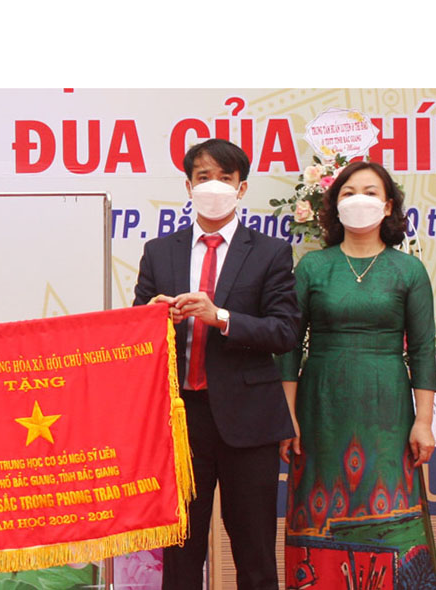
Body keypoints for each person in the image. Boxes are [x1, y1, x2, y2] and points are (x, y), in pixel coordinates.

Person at [133, 138, 301, 590]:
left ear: (241, 188)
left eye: (224, 178)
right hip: (180, 420)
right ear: (188, 186)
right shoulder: (159, 251)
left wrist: (221, 317)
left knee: (254, 551)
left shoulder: (269, 252)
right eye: (203, 177)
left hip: (249, 420)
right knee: (181, 553)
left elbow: (285, 331)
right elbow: (136, 331)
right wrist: (153, 317)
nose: (214, 186)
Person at [278, 161, 436, 589]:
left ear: (388, 206)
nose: (358, 200)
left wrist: (423, 421)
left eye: (370, 192)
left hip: (388, 408)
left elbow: (424, 349)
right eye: (348, 193)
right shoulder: (312, 267)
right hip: (320, 407)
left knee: (391, 502)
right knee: (318, 504)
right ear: (335, 205)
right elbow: (288, 346)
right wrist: (287, 416)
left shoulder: (408, 270)